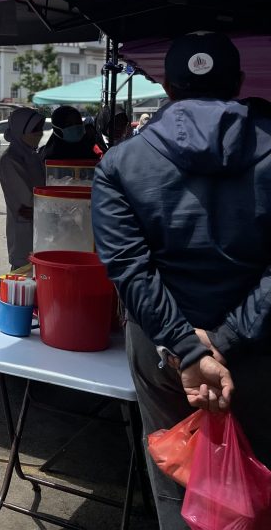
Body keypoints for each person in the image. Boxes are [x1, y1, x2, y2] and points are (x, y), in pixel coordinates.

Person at [92, 32, 271, 527]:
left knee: (177, 477)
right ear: (237, 83)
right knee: (260, 477)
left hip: (163, 352)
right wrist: (227, 339)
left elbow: (129, 266)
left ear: (167, 87)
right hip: (258, 349)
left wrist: (188, 350)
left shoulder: (121, 162)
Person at [0, 108, 46, 273]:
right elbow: (27, 202)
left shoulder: (33, 155)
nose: (39, 134)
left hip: (40, 228)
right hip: (24, 232)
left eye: (40, 128)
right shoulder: (10, 160)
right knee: (24, 277)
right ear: (21, 130)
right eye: (35, 130)